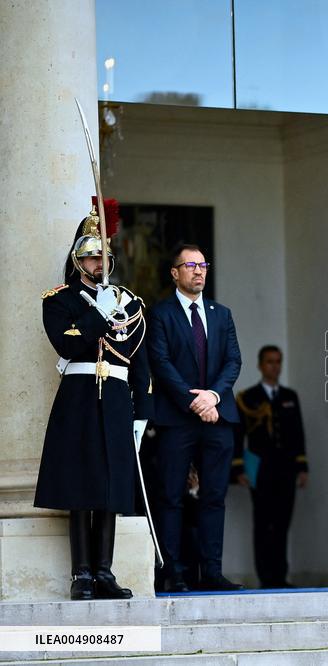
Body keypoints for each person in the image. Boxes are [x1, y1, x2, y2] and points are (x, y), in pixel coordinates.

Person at [35, 199, 151, 600]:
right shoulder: (59, 300)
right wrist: (96, 315)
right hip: (80, 397)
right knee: (81, 486)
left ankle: (104, 571)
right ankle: (80, 573)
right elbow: (66, 345)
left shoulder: (129, 302)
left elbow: (141, 363)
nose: (98, 264)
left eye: (102, 257)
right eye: (90, 258)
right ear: (77, 260)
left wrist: (143, 413)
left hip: (117, 398)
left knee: (111, 488)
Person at [147, 243, 243, 592]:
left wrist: (213, 396)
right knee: (171, 496)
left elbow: (233, 360)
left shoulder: (222, 313)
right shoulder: (160, 314)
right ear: (175, 273)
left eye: (203, 265)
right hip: (177, 417)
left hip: (217, 415)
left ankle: (212, 571)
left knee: (214, 496)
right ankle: (172, 571)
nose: (199, 271)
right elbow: (161, 363)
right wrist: (195, 400)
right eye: (190, 265)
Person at [233, 345, 308, 589]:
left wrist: (302, 466)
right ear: (260, 365)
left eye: (278, 362)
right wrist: (238, 469)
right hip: (260, 468)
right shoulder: (248, 397)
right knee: (264, 522)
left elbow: (298, 434)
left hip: (286, 468)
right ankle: (266, 577)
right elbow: (238, 435)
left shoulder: (289, 396)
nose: (274, 366)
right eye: (269, 362)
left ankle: (280, 576)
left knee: (283, 522)